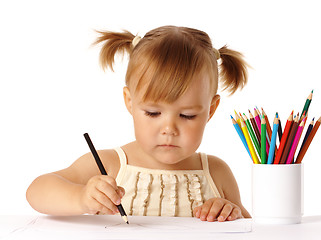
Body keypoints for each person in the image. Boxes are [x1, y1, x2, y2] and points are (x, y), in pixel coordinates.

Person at [26, 25, 251, 222]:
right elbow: (36, 191)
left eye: (187, 116)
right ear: (130, 102)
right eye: (153, 113)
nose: (169, 129)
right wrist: (82, 197)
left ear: (210, 110)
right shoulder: (111, 165)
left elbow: (252, 229)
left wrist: (231, 213)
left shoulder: (216, 173)